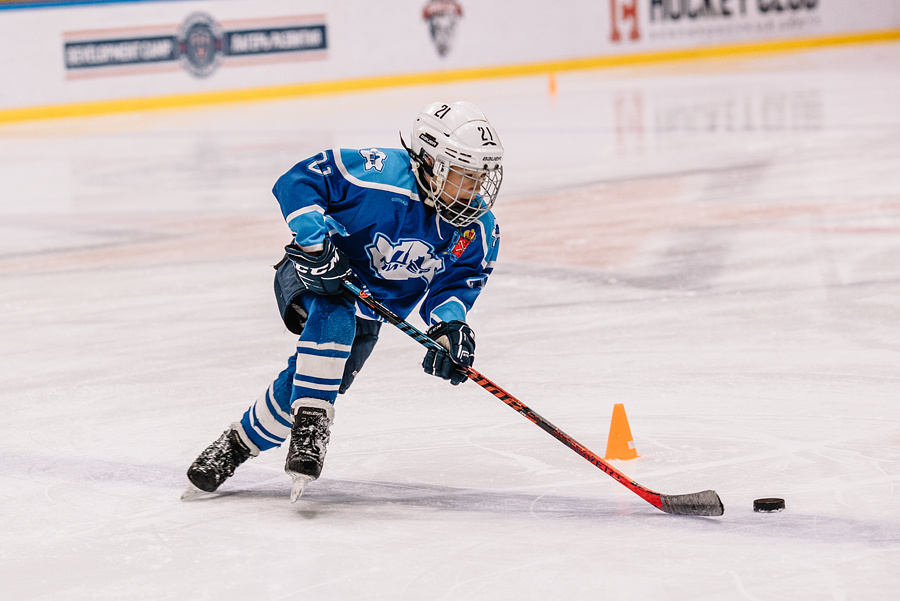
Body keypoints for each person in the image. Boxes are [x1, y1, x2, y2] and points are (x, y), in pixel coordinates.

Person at [183, 101, 504, 502]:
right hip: (314, 272)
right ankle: (311, 426)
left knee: (313, 376)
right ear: (430, 162)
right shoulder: (376, 174)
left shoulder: (478, 229)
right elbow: (297, 180)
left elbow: (455, 285)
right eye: (465, 175)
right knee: (334, 313)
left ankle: (235, 445)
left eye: (481, 177)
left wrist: (449, 327)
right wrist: (315, 243)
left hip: (371, 309)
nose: (477, 188)